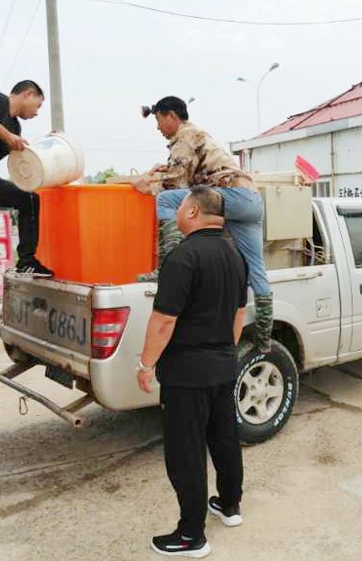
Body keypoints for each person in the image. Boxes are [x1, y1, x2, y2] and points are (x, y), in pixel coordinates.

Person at [136, 186, 247, 558]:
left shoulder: (183, 258)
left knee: (186, 453)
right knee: (224, 438)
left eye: (181, 207)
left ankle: (190, 535)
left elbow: (164, 320)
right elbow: (238, 315)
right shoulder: (236, 255)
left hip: (186, 373)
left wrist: (146, 363)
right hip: (223, 366)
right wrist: (225, 353)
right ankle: (230, 506)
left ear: (195, 211)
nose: (177, 213)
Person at [132, 96, 273, 353]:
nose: (158, 127)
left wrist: (144, 184)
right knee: (256, 268)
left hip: (229, 195)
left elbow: (177, 185)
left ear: (171, 116)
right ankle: (264, 341)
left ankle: (166, 267)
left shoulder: (185, 137)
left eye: (159, 120)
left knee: (166, 199)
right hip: (250, 199)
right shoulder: (198, 135)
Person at [0, 80, 53, 275]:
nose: (37, 112)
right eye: (38, 105)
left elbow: (24, 158)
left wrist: (50, 144)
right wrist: (6, 136)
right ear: (28, 94)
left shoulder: (16, 129)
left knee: (29, 198)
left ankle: (26, 261)